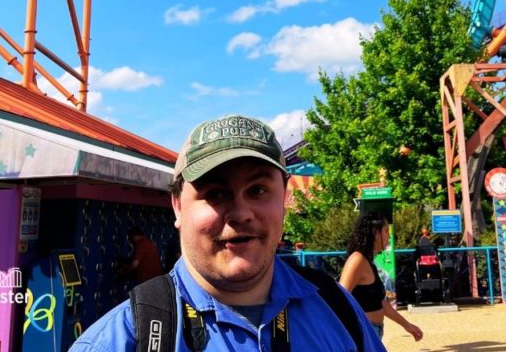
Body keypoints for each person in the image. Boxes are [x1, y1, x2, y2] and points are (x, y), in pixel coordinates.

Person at [72, 114, 385, 351]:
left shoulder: (337, 309)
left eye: (258, 190)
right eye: (216, 193)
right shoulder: (123, 339)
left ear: (285, 198)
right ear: (178, 206)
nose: (241, 213)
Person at [340, 212, 424, 342]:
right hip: (364, 332)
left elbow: (381, 303)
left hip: (373, 331)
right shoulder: (357, 260)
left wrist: (407, 326)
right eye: (386, 231)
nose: (389, 237)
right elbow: (340, 298)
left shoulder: (368, 261)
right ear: (375, 232)